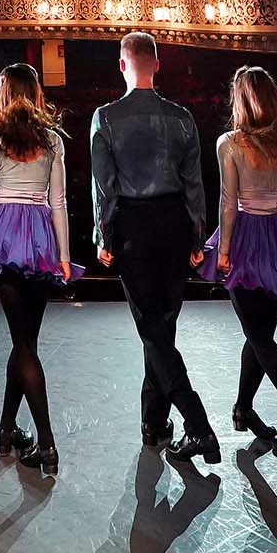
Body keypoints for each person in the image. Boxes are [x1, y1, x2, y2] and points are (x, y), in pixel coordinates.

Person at [90, 30, 219, 464]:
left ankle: (197, 424)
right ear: (157, 65)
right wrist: (197, 235)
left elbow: (105, 188)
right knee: (162, 326)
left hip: (133, 225)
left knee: (152, 327)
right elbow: (194, 184)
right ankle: (154, 422)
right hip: (175, 223)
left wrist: (104, 235)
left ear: (122, 65)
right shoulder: (182, 118)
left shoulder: (106, 118)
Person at [200, 66, 277, 456]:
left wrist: (223, 251)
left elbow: (228, 201)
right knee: (259, 334)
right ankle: (243, 409)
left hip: (247, 237)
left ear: (239, 100)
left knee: (260, 338)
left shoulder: (230, 143)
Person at [0, 62, 78, 474]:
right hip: (41, 236)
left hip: (6, 236)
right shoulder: (52, 140)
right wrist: (63, 255)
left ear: (5, 92)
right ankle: (7, 428)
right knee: (25, 341)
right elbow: (59, 202)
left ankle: (47, 442)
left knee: (24, 344)